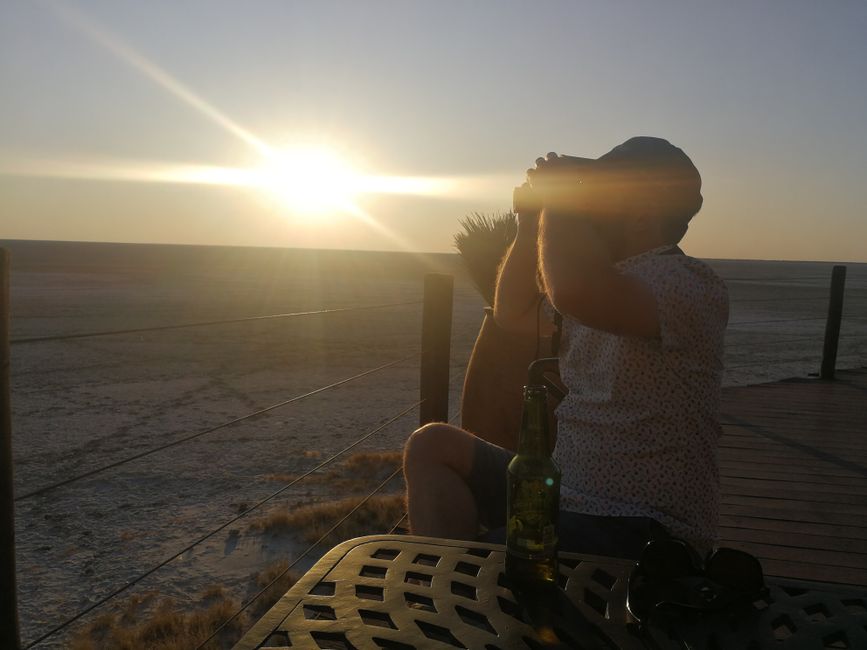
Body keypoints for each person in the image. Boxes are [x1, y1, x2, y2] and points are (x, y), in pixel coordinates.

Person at [403, 136, 728, 558]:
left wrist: (562, 197)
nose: (589, 206)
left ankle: (461, 590)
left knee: (485, 565)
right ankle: (451, 582)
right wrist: (529, 222)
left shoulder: (687, 283)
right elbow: (513, 313)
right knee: (432, 446)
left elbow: (573, 289)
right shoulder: (607, 282)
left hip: (641, 528)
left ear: (644, 212)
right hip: (569, 494)